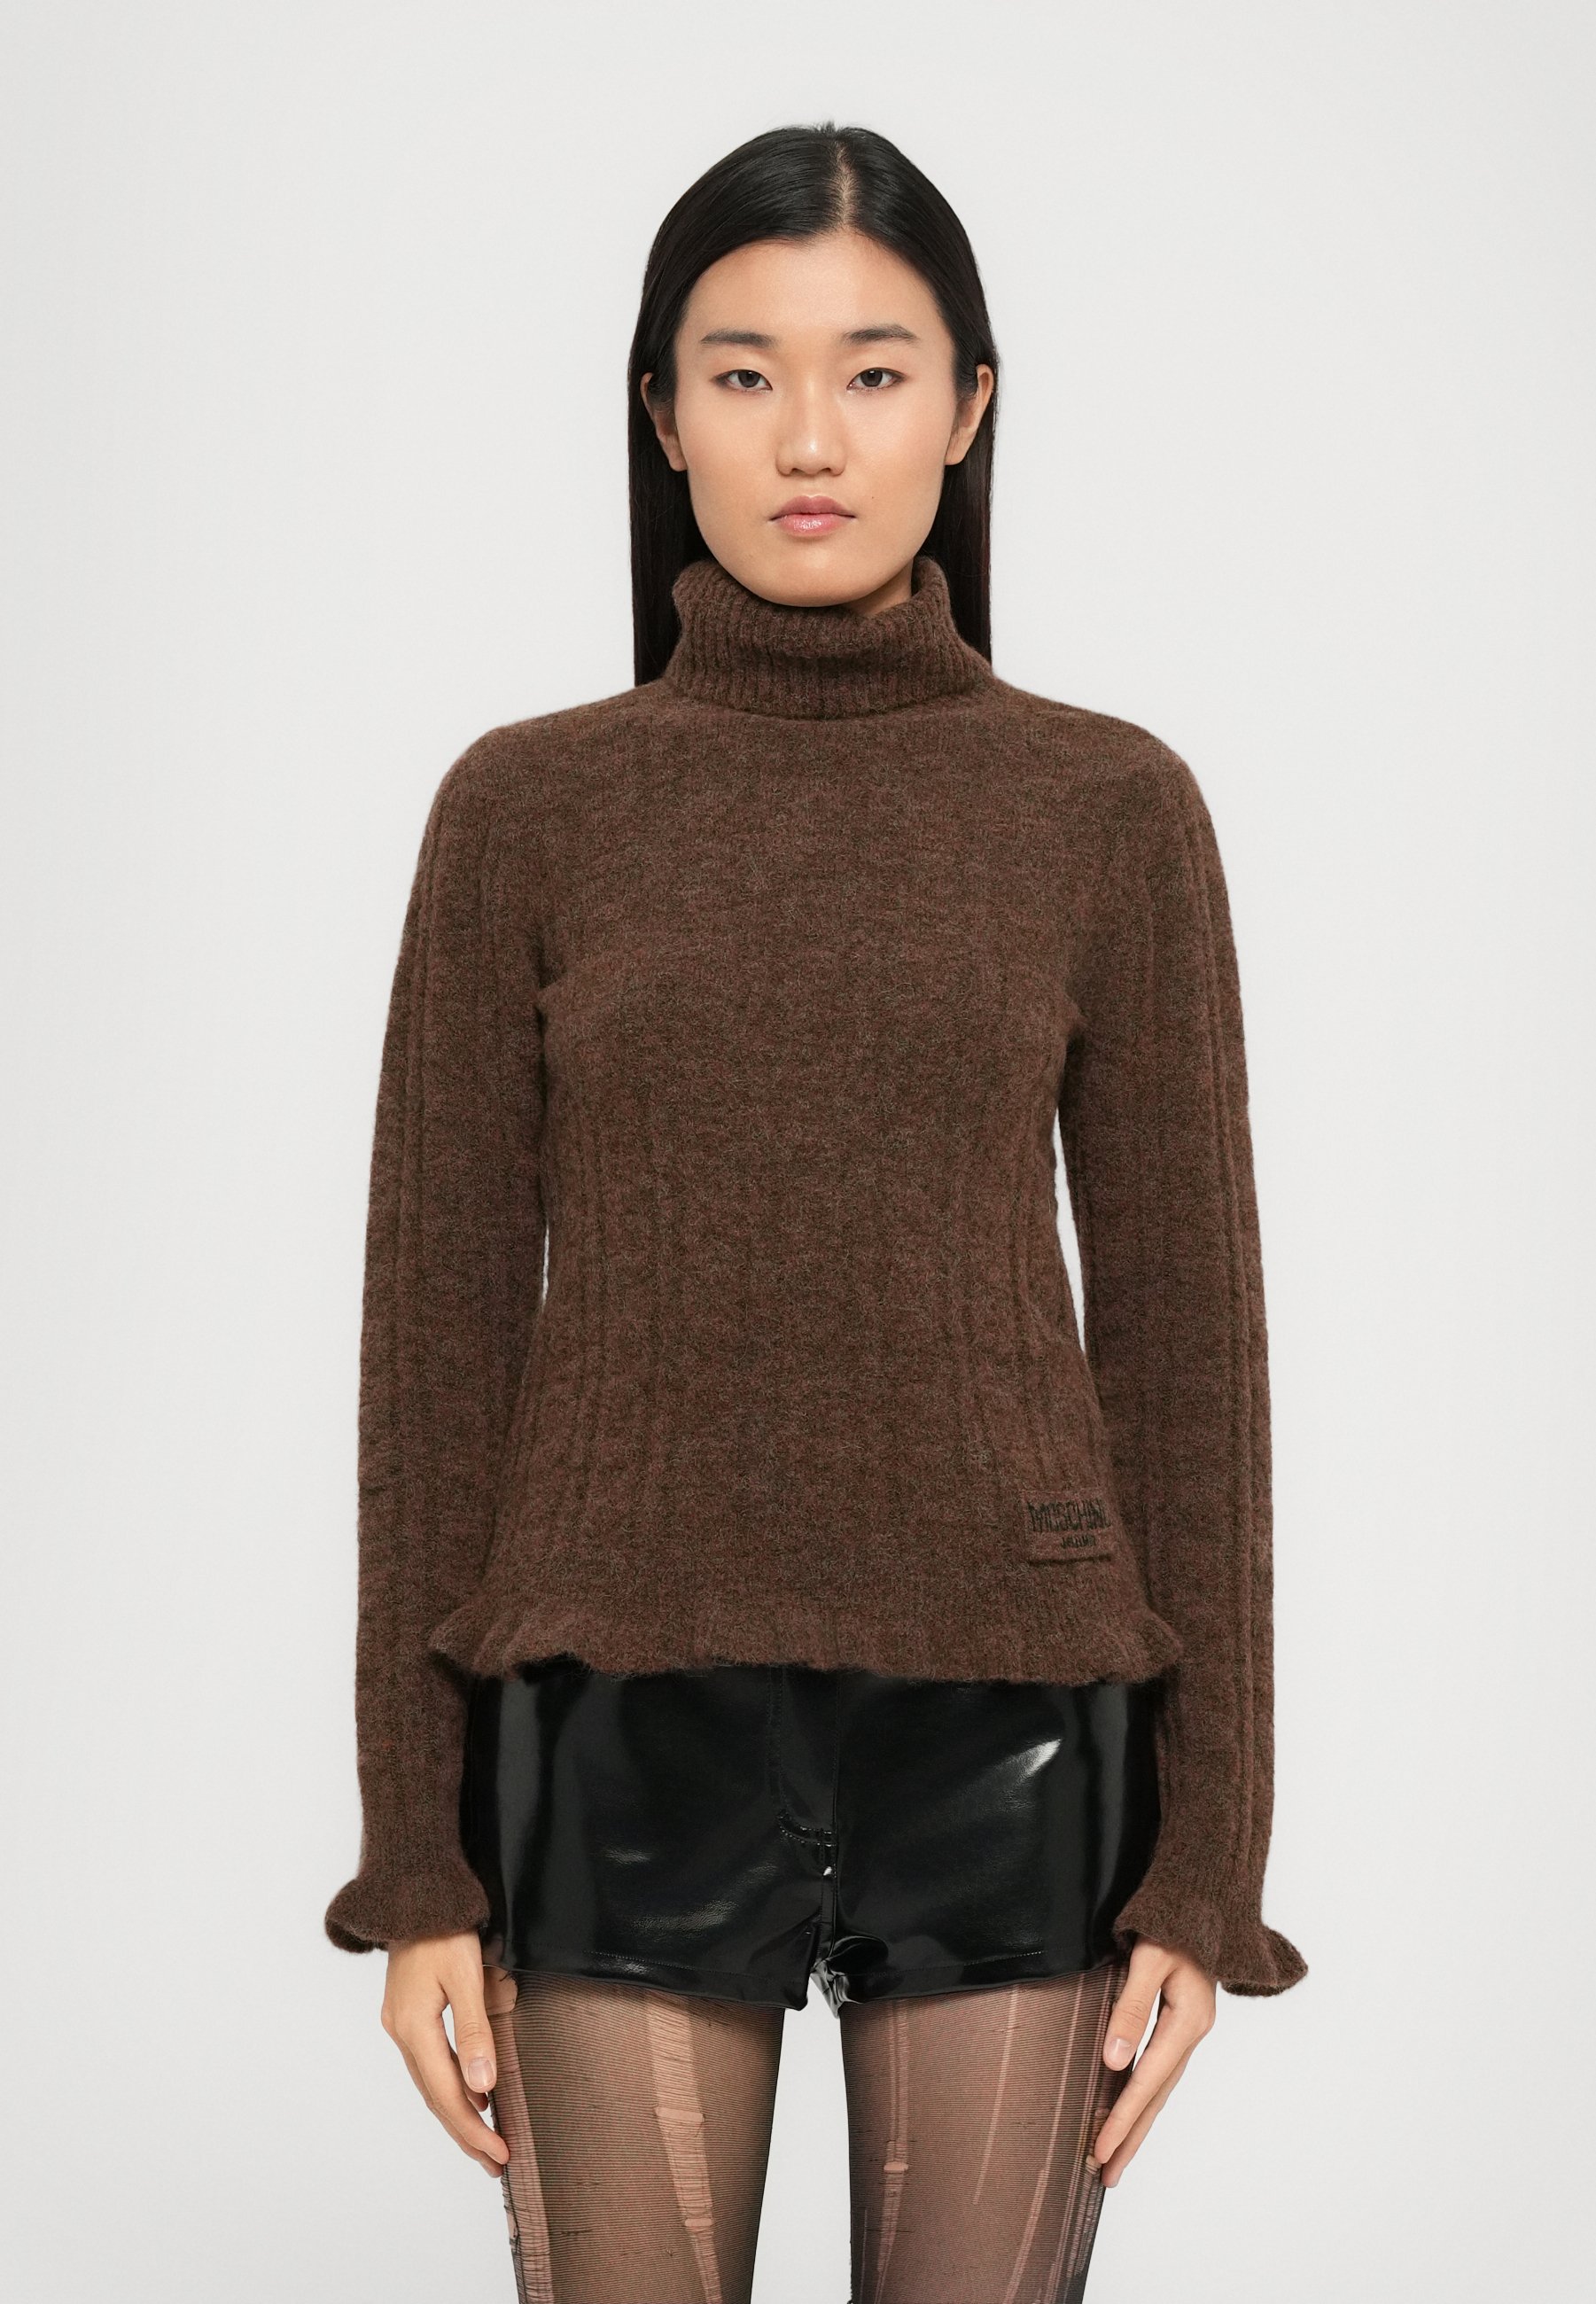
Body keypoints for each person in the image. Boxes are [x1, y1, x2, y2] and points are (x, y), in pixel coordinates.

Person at [323, 121, 1307, 2304]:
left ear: (968, 410)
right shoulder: (526, 808)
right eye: (742, 371)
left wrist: (1205, 1863)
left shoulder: (1107, 807)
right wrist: (418, 1861)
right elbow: (435, 1357)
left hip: (1013, 1729)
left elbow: (1187, 1359)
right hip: (614, 1723)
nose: (806, 436)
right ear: (659, 414)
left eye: (873, 371)